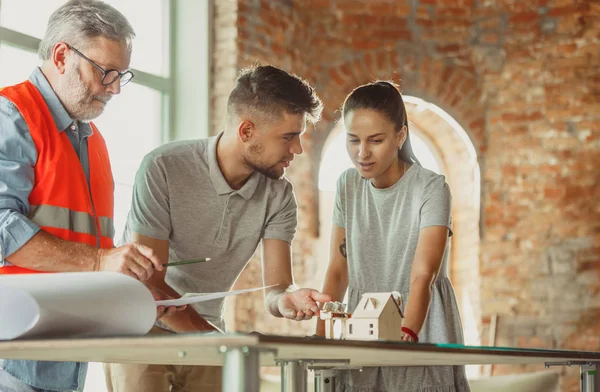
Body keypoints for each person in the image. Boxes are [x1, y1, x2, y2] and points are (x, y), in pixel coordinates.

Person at [103, 64, 332, 392]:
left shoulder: (279, 196)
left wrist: (288, 299)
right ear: (246, 131)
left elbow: (276, 291)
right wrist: (219, 341)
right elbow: (150, 289)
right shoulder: (164, 168)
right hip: (139, 326)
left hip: (207, 332)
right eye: (288, 137)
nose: (296, 149)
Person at [0, 1, 167, 391]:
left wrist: (125, 275)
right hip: (12, 356)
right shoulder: (10, 117)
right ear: (61, 55)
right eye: (105, 72)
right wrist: (100, 261)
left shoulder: (92, 142)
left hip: (65, 359)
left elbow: (89, 251)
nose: (113, 89)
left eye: (121, 76)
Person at [316, 81, 471, 392]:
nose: (362, 153)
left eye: (375, 140)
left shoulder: (431, 188)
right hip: (363, 324)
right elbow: (337, 270)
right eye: (353, 140)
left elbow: (423, 275)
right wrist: (319, 343)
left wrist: (406, 335)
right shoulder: (347, 185)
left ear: (400, 135)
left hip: (420, 322)